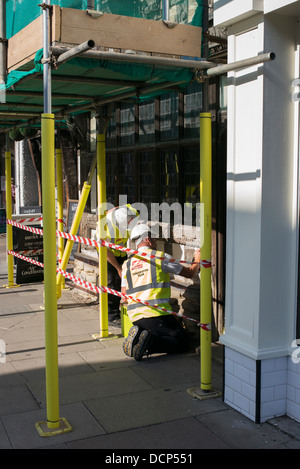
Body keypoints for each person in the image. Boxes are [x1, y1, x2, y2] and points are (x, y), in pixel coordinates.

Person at [121, 223, 201, 361]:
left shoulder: (127, 264)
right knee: (182, 343)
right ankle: (149, 342)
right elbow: (189, 273)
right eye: (155, 238)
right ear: (147, 239)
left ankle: (140, 337)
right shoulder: (160, 256)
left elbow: (124, 295)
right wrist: (198, 259)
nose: (157, 241)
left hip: (134, 316)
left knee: (164, 333)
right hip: (155, 314)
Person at [96, 204, 139, 324]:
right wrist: (118, 268)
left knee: (123, 280)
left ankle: (121, 308)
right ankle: (112, 316)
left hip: (121, 251)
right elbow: (106, 251)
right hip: (107, 254)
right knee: (112, 282)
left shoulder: (130, 212)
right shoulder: (104, 228)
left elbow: (125, 207)